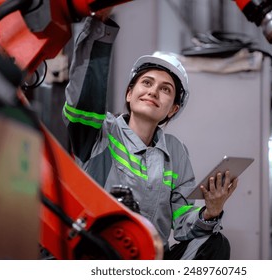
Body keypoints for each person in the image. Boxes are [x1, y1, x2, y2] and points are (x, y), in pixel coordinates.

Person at [63, 10, 239, 260]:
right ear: (129, 93)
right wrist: (99, 25)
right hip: (101, 254)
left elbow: (181, 222)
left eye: (165, 89)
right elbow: (85, 93)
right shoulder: (101, 133)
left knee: (216, 243)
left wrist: (210, 211)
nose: (153, 92)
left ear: (173, 109)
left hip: (151, 260)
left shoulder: (176, 151)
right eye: (146, 83)